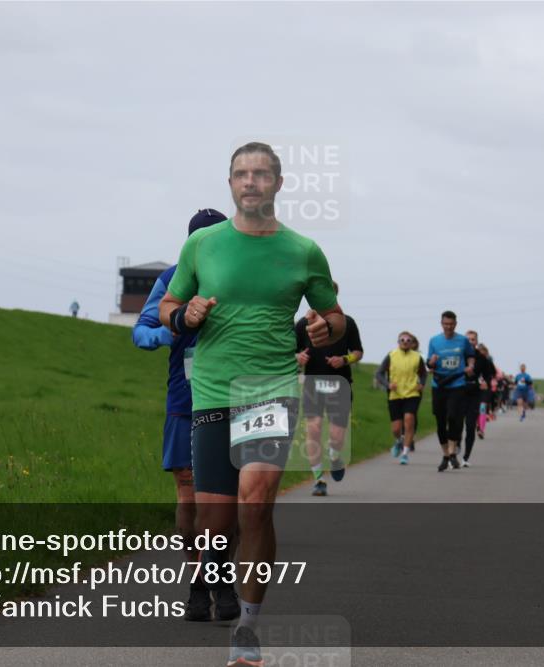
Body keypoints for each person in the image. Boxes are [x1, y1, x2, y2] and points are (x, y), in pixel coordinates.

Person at [159, 142, 345, 667]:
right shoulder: (203, 245)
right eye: (241, 174)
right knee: (216, 524)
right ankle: (219, 569)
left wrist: (320, 327)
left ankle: (247, 624)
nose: (250, 182)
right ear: (230, 182)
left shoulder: (304, 250)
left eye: (260, 174)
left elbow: (334, 318)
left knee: (257, 501)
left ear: (278, 184)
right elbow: (170, 304)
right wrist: (185, 315)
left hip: (271, 388)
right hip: (214, 390)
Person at [133, 208, 236, 623]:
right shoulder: (172, 279)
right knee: (190, 498)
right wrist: (170, 329)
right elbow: (140, 333)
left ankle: (222, 577)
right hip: (184, 401)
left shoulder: (239, 276)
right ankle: (197, 585)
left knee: (230, 500)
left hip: (233, 399)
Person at [295, 282, 363, 496]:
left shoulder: (347, 323)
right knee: (313, 429)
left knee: (336, 435)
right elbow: (290, 352)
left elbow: (358, 352)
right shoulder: (303, 324)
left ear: (334, 296)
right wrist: (298, 357)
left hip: (339, 384)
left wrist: (344, 359)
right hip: (313, 383)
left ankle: (334, 455)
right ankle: (318, 480)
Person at [426, 311, 476, 471]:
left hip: (457, 383)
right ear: (441, 324)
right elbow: (429, 364)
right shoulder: (434, 341)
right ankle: (446, 455)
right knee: (440, 421)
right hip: (439, 384)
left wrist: (470, 366)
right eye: (445, 324)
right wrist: (432, 362)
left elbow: (470, 355)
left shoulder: (462, 340)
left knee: (454, 417)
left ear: (455, 324)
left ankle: (453, 451)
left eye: (451, 324)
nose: (448, 327)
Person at [374, 332, 427, 465]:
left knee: (409, 420)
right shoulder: (391, 355)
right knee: (396, 429)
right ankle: (399, 441)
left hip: (412, 393)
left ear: (412, 342)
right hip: (395, 394)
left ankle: (405, 453)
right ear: (398, 341)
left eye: (408, 340)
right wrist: (388, 384)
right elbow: (379, 373)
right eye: (402, 340)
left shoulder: (417, 357)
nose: (405, 342)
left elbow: (423, 373)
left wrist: (422, 384)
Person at [461, 331, 495, 466]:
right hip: (459, 392)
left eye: (473, 339)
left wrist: (485, 382)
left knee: (470, 426)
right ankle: (455, 447)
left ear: (476, 342)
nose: (470, 342)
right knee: (456, 424)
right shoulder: (459, 355)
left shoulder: (482, 358)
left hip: (475, 394)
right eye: (468, 339)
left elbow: (488, 374)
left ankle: (466, 457)